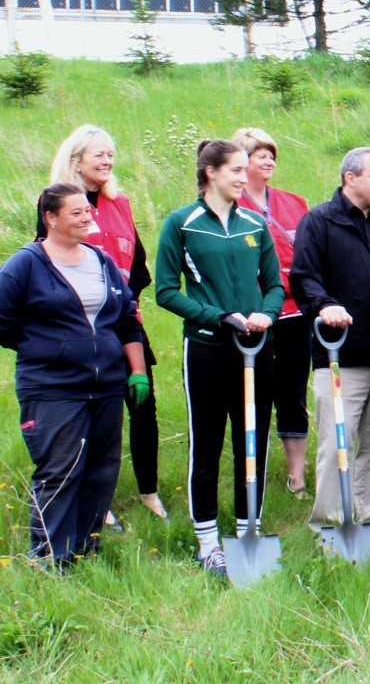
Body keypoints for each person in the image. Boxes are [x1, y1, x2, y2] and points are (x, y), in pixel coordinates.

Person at [155, 139, 284, 578]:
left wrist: (265, 316)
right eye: (236, 169)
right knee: (206, 443)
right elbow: (166, 291)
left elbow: (274, 284)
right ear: (210, 172)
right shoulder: (182, 224)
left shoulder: (255, 223)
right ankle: (208, 541)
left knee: (254, 439)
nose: (244, 177)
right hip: (209, 349)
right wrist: (217, 316)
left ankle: (251, 529)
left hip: (258, 349)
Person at [0, 183, 146, 567]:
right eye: (77, 212)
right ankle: (51, 559)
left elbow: (128, 320)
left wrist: (137, 372)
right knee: (60, 470)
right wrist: (47, 348)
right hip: (52, 389)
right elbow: (4, 321)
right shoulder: (26, 263)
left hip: (107, 386)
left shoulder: (101, 261)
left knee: (101, 469)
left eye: (88, 211)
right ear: (51, 218)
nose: (87, 218)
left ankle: (86, 549)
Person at [45, 125, 168, 523]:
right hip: (81, 329)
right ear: (76, 159)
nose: (108, 160)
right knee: (98, 412)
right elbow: (49, 264)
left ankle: (149, 492)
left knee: (143, 404)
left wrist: (122, 297)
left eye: (111, 154)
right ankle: (100, 500)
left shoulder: (121, 203)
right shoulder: (60, 205)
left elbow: (140, 267)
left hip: (126, 322)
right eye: (99, 154)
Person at [290, 147, 370, 530]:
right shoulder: (320, 222)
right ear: (350, 178)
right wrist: (324, 306)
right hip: (340, 354)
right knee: (336, 445)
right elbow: (304, 277)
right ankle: (331, 525)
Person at [231, 127, 312, 499]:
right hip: (254, 317)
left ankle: (297, 477)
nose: (268, 159)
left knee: (293, 393)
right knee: (256, 393)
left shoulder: (294, 202)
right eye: (258, 153)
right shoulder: (230, 206)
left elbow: (311, 256)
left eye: (271, 153)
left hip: (296, 314)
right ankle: (254, 473)